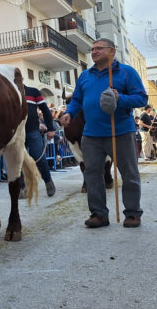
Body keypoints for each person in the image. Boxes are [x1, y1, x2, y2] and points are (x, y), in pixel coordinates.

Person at [61, 39, 147, 228]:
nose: (94, 52)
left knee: (129, 174)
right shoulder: (84, 76)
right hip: (91, 134)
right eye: (92, 49)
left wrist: (120, 98)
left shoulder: (127, 72)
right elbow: (77, 99)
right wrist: (69, 113)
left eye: (99, 48)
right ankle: (98, 214)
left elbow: (141, 98)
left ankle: (132, 213)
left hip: (121, 132)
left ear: (112, 51)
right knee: (92, 175)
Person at [22, 85, 57, 197]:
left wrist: (51, 129)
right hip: (16, 134)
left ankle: (48, 181)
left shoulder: (33, 91)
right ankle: (23, 188)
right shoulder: (8, 91)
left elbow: (45, 110)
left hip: (33, 131)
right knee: (18, 160)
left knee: (38, 157)